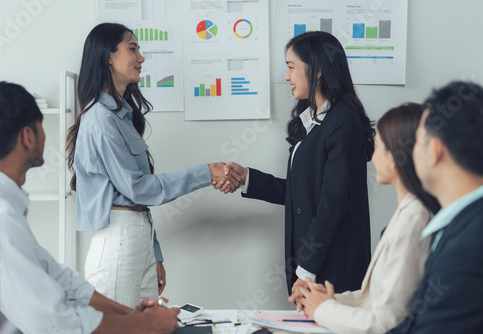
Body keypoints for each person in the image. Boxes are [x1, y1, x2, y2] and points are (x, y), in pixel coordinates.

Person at [0, 81, 180, 334]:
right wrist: (145, 323)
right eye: (41, 126)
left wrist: (128, 313)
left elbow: (61, 279)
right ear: (28, 136)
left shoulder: (1, 207)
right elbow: (55, 324)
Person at [65, 23, 240, 307]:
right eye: (132, 49)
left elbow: (138, 202)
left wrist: (154, 254)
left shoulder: (120, 116)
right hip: (119, 240)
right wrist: (206, 172)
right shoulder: (99, 119)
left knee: (146, 326)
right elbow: (137, 188)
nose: (141, 58)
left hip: (137, 239)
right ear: (108, 56)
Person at [216, 31, 375, 295]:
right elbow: (304, 192)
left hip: (334, 265)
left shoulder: (344, 122)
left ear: (318, 69)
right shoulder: (312, 119)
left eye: (291, 67)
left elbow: (332, 203)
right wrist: (248, 178)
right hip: (312, 263)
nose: (287, 77)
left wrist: (306, 269)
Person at [288, 103, 441, 334]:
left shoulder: (414, 221)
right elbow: (382, 295)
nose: (370, 155)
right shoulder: (408, 212)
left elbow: (385, 322)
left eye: (377, 146)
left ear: (396, 157)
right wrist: (332, 300)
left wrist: (323, 309)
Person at [386, 81, 483, 333]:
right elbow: (415, 323)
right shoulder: (461, 224)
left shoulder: (470, 243)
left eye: (418, 140)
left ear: (435, 151)